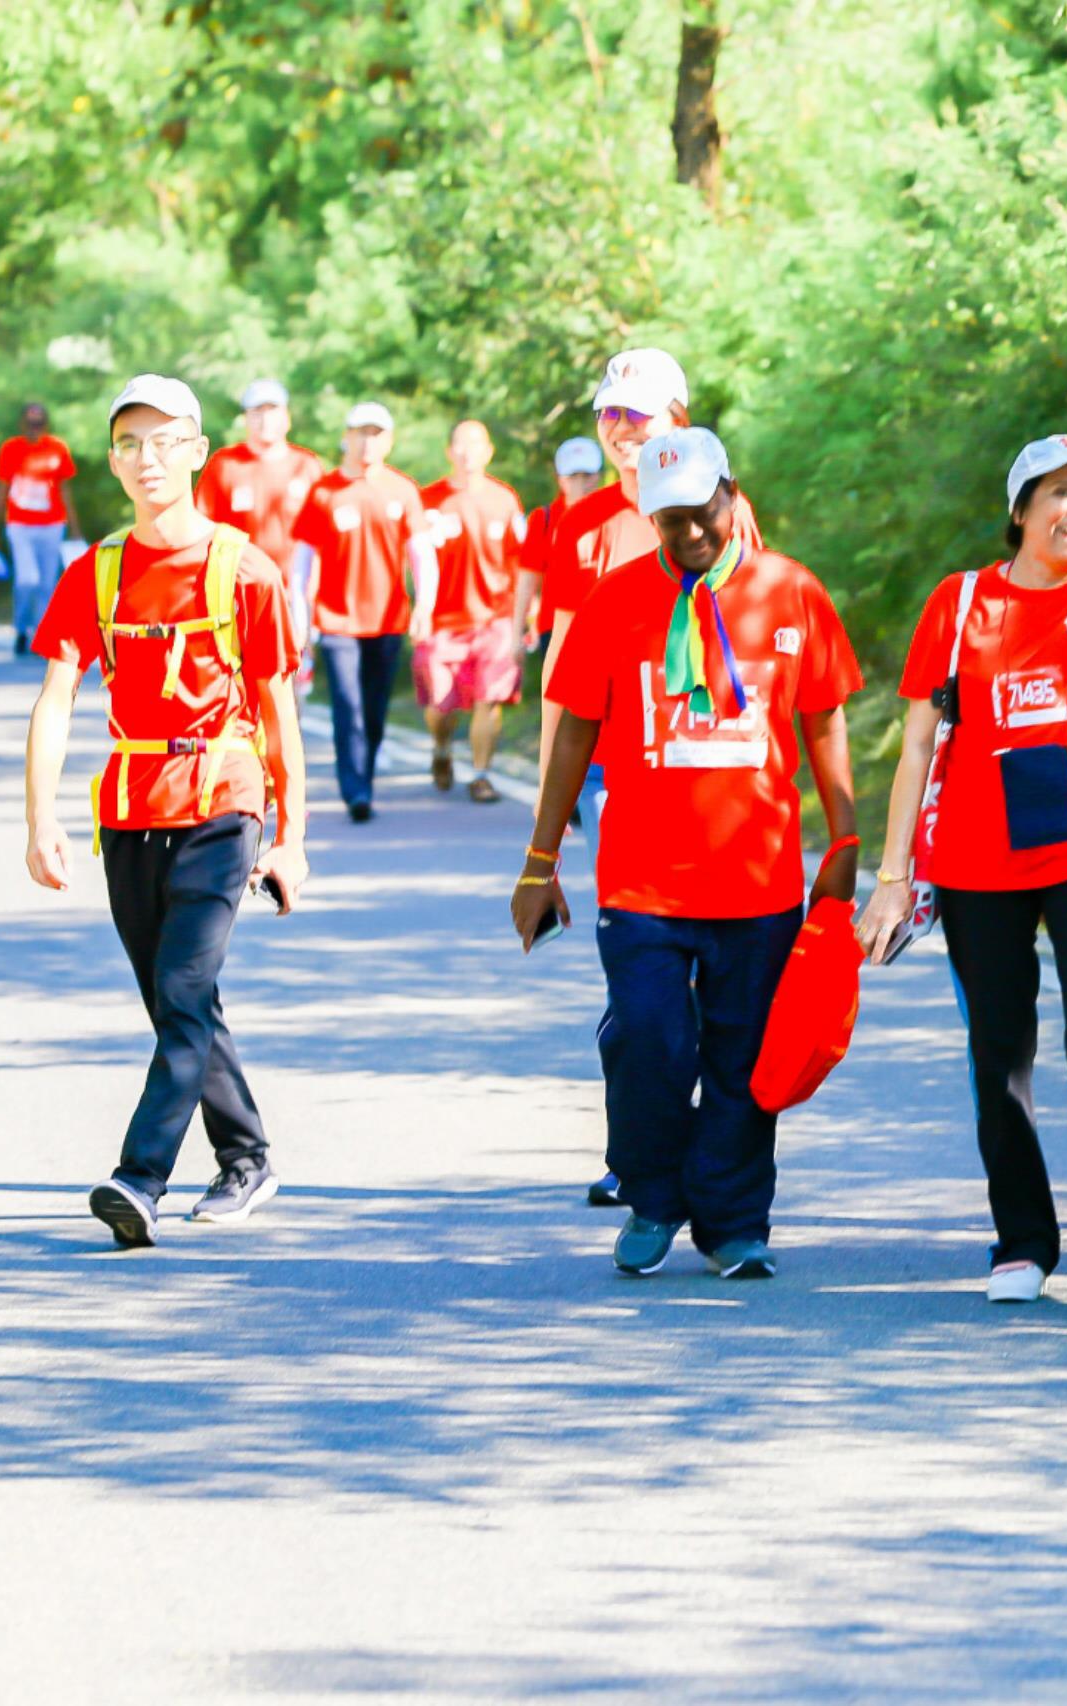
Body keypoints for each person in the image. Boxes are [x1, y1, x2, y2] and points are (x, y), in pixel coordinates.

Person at [512, 427, 862, 1281]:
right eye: (669, 522)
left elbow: (824, 719)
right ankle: (654, 1195)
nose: (690, 535)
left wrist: (847, 838)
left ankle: (734, 1222)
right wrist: (539, 860)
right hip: (641, 887)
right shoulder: (616, 599)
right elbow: (571, 740)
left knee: (745, 1063)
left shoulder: (791, 592)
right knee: (648, 1045)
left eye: (701, 513)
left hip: (761, 883)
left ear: (731, 494)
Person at [856, 418, 1067, 1310]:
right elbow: (918, 743)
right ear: (1021, 511)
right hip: (975, 859)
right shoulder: (961, 603)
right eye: (1060, 494)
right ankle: (1023, 1241)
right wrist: (892, 876)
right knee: (1000, 1050)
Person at [22, 373, 310, 1247]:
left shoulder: (244, 570)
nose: (148, 460)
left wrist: (291, 839)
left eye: (164, 442)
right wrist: (41, 818)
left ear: (197, 453)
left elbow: (277, 711)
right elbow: (58, 697)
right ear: (113, 460)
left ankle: (137, 1179)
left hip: (223, 802)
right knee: (176, 1000)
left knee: (182, 989)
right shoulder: (96, 571)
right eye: (130, 444)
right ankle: (248, 1157)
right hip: (130, 811)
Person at [543, 350, 761, 1206]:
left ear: (679, 416)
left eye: (638, 417)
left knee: (720, 980)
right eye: (609, 418)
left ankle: (704, 1152)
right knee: (640, 978)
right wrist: (548, 816)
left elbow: (753, 631)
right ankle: (635, 1152)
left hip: (714, 768)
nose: (622, 434)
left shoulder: (722, 510)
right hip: (611, 775)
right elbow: (564, 657)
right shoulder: (587, 520)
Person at [290, 402, 435, 822]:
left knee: (373, 709)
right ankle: (356, 790)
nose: (367, 441)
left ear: (387, 441)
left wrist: (424, 604)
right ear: (347, 437)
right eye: (360, 433)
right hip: (337, 620)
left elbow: (420, 553)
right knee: (348, 705)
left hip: (388, 620)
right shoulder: (324, 491)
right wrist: (300, 616)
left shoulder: (403, 490)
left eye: (376, 434)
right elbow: (301, 561)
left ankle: (364, 775)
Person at [417, 420, 528, 803]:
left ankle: (481, 774)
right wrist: (417, 608)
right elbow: (411, 560)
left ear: (488, 452)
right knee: (439, 705)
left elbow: (523, 562)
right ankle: (442, 749)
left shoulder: (505, 500)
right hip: (442, 623)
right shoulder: (428, 501)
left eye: (476, 444)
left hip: (495, 617)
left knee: (489, 698)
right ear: (449, 452)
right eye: (460, 445)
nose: (467, 452)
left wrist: (524, 618)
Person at [195, 379, 325, 688]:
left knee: (292, 679)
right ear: (246, 418)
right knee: (241, 676)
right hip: (238, 588)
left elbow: (323, 539)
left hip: (293, 591)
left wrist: (316, 590)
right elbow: (201, 529)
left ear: (287, 417)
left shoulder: (306, 465)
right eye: (257, 412)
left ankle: (286, 735)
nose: (265, 419)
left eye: (272, 410)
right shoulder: (224, 465)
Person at [0, 402, 76, 656]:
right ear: (22, 424)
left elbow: (65, 489)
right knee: (28, 580)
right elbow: (2, 489)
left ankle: (41, 634)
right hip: (20, 525)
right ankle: (21, 628)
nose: (34, 428)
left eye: (39, 423)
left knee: (48, 583)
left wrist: (75, 527)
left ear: (45, 424)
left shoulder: (57, 449)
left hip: (52, 525)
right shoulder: (11, 449)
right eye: (30, 423)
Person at [514, 436, 604, 646]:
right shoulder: (543, 519)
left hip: (603, 626)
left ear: (598, 476)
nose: (581, 483)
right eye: (573, 476)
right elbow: (527, 581)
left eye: (587, 475)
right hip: (554, 629)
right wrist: (517, 633)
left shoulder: (614, 514)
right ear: (560, 478)